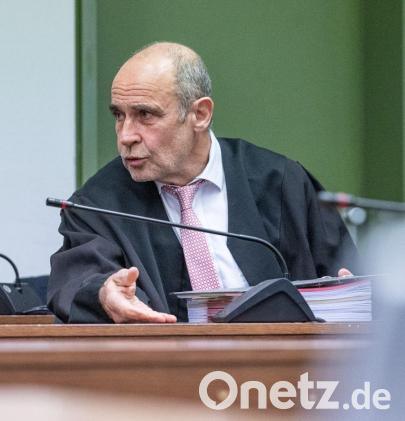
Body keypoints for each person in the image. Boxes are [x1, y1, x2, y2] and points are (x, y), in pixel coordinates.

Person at [48, 42, 356, 324]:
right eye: (119, 115)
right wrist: (103, 293)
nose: (126, 135)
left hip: (286, 376)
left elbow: (343, 278)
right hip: (164, 375)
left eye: (145, 115)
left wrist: (351, 293)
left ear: (200, 114)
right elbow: (79, 277)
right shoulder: (97, 205)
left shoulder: (281, 182)